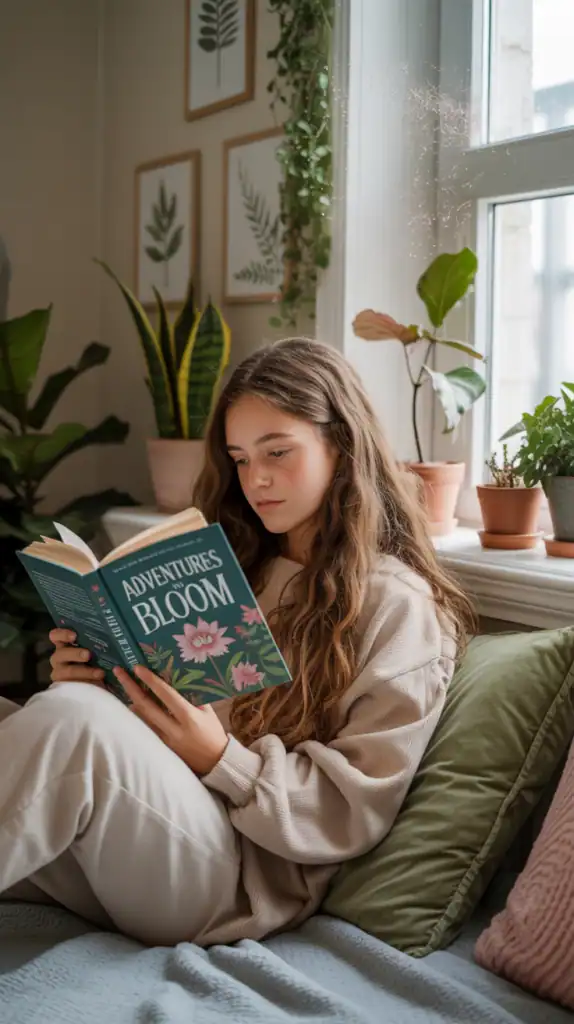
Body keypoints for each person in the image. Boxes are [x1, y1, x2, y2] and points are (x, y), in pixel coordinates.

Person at [0, 338, 475, 947]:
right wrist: (93, 675)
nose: (258, 479)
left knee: (72, 723)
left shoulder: (396, 606)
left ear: (342, 444)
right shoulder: (237, 565)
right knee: (53, 710)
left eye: (278, 452)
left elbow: (351, 810)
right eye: (241, 458)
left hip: (233, 875)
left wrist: (220, 757)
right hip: (141, 827)